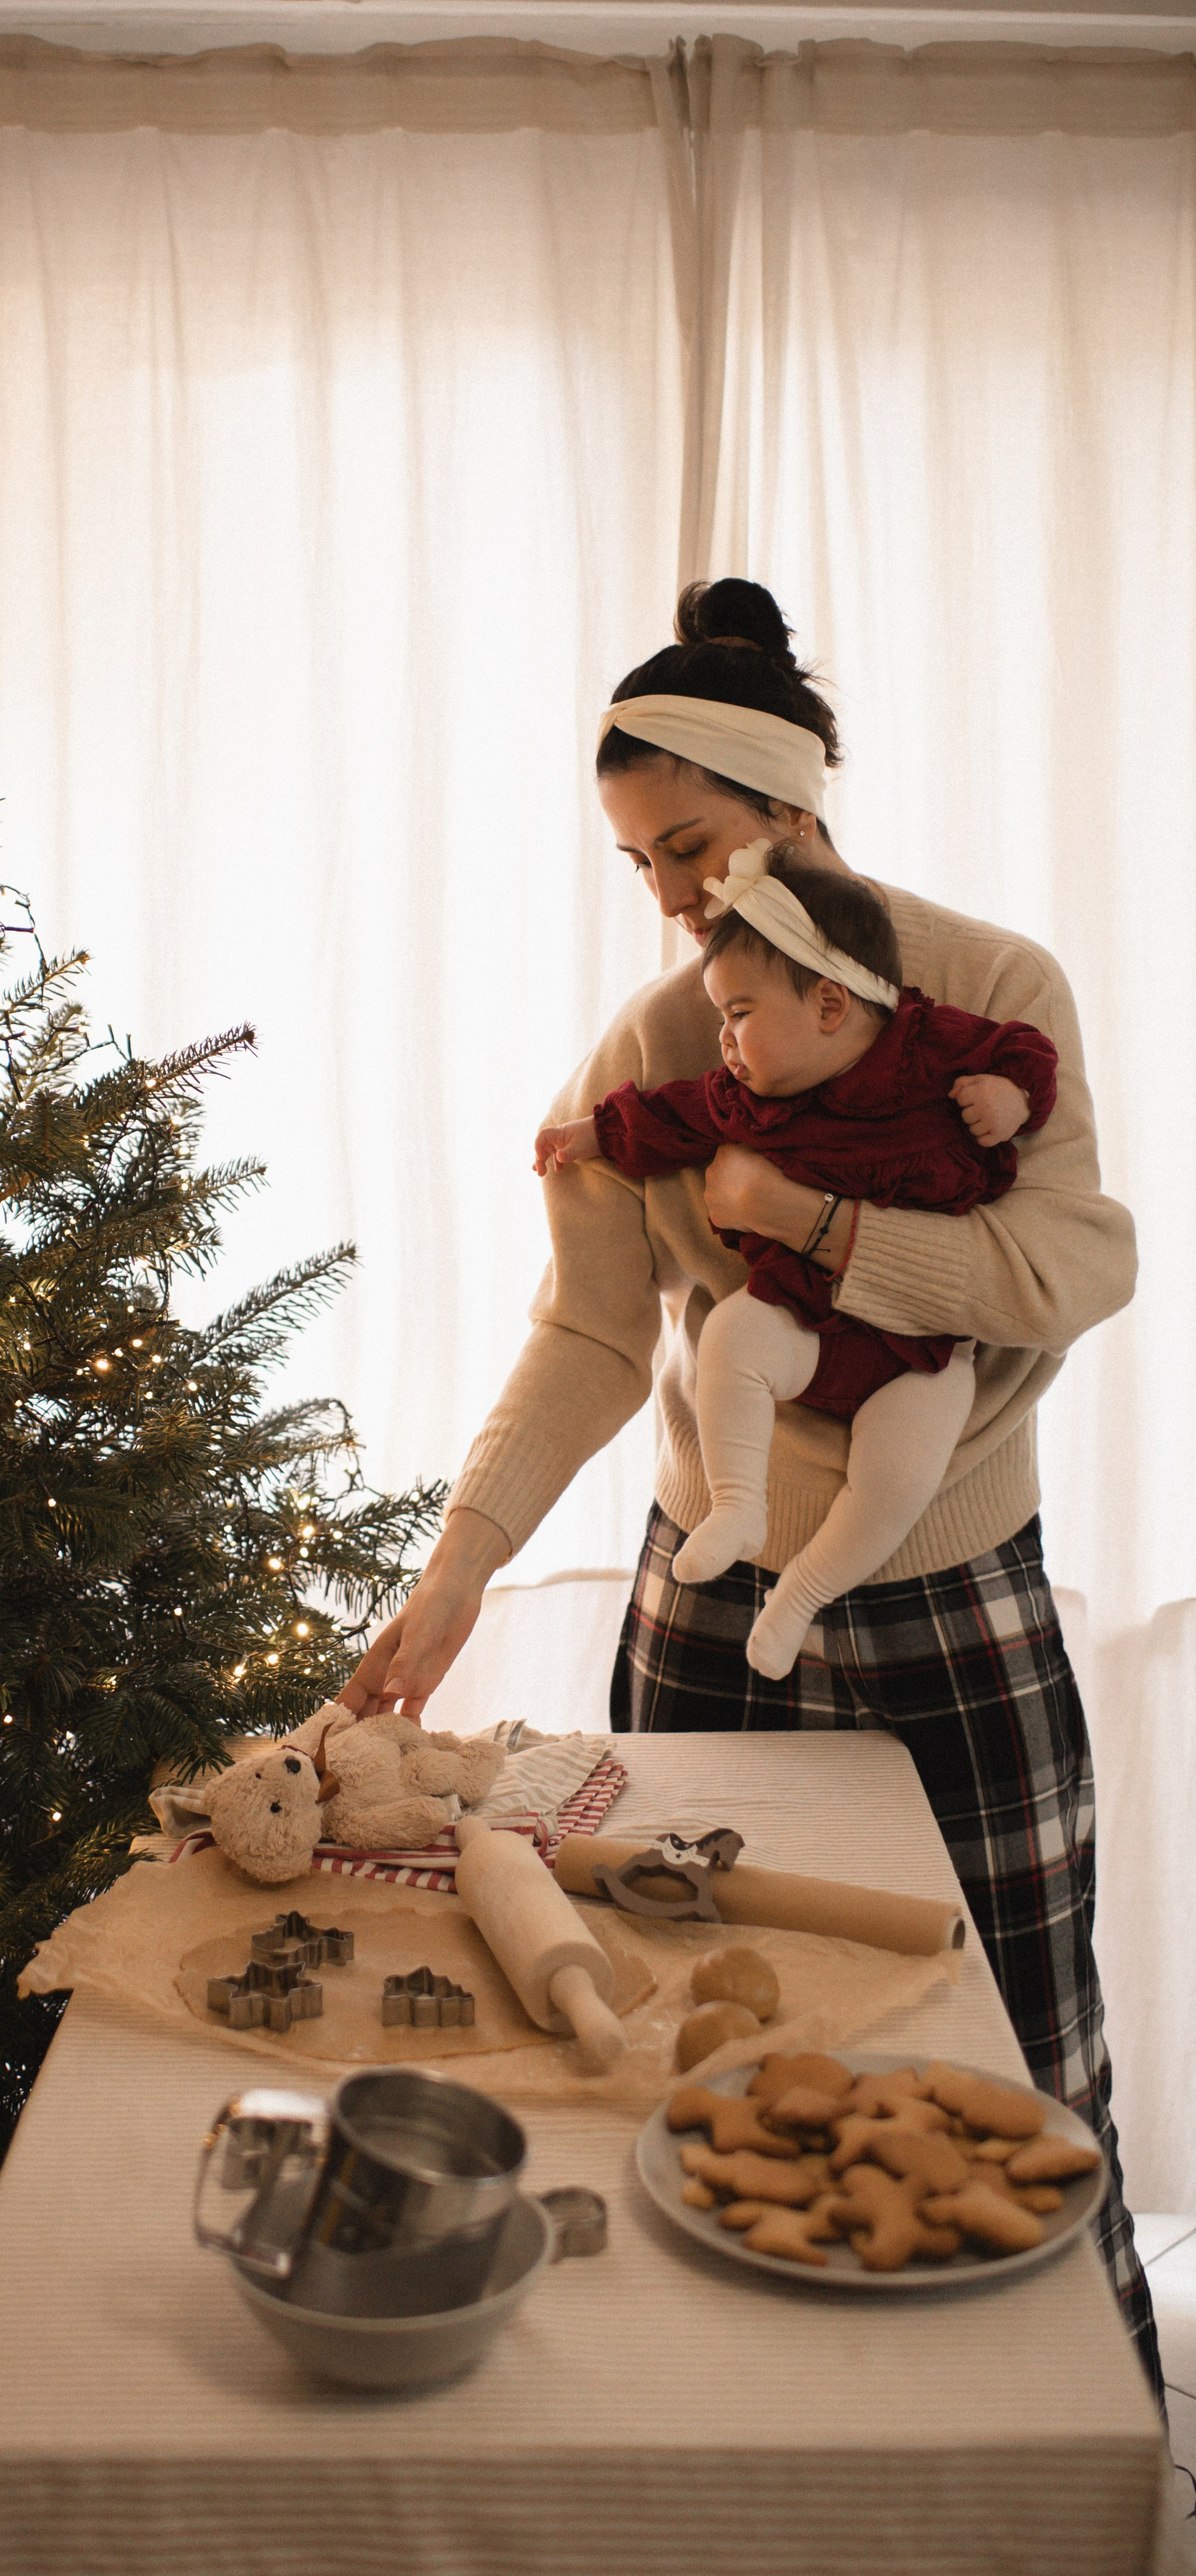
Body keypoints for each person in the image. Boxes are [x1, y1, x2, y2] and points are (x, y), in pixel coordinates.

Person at [341, 576, 1159, 2389]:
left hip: (955, 1601)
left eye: (689, 847)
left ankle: (1093, 2448)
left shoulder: (994, 994)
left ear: (792, 808)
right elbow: (587, 1335)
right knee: (696, 2045)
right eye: (638, 861)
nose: (666, 895)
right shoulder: (657, 1044)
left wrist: (811, 1222)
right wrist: (457, 1571)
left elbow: (1061, 1275)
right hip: (706, 1613)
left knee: (1030, 2046)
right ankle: (727, 2432)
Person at [533, 840, 1057, 1679]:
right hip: (801, 1319)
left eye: (738, 1013)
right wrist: (588, 1133)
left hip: (917, 1350)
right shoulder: (746, 1098)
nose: (723, 1041)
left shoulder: (932, 1046)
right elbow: (667, 1116)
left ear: (828, 1003)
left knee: (899, 1478)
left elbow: (1025, 1047)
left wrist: (1012, 1095)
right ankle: (738, 1504)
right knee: (732, 1337)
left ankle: (801, 1595)